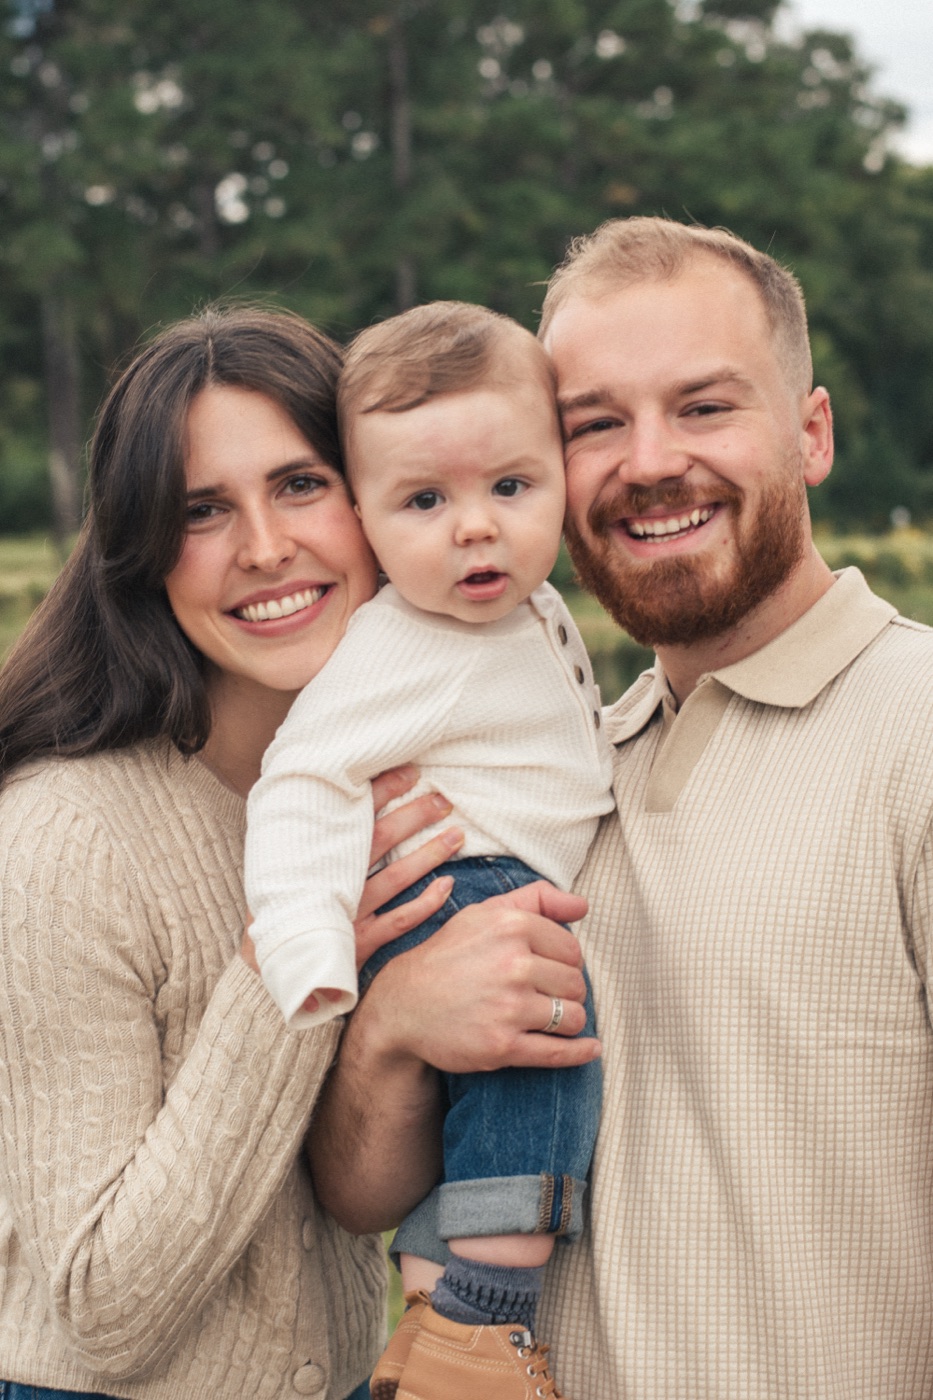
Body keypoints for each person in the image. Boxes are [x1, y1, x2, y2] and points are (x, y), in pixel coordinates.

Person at [311, 217, 933, 1400]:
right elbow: (356, 1194)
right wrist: (392, 1024)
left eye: (704, 406)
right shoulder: (551, 772)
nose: (648, 461)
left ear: (811, 435)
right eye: (595, 422)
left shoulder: (919, 730)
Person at [0, 305, 597, 1400]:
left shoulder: (413, 797)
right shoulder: (63, 838)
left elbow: (349, 1200)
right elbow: (104, 1305)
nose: (265, 546)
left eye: (300, 484)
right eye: (201, 509)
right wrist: (292, 959)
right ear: (142, 548)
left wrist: (397, 1026)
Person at [245, 302, 613, 1400]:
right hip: (476, 886)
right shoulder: (403, 642)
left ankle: (427, 1321)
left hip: (504, 874)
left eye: (510, 487)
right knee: (551, 1047)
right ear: (363, 516)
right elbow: (304, 777)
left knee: (492, 1098)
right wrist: (308, 939)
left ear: (558, 470)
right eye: (424, 501)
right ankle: (483, 1323)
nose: (475, 529)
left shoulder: (525, 603)